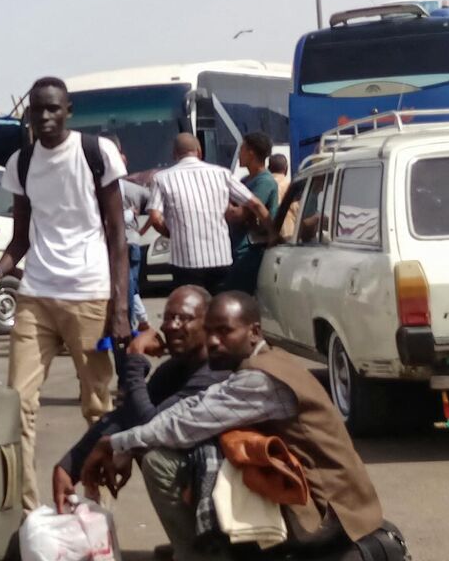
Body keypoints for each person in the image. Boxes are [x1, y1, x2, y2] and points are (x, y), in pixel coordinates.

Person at [83, 293, 386, 560]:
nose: (213, 341)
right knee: (201, 446)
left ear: (254, 332)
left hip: (330, 514)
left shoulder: (261, 379)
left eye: (225, 332)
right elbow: (194, 408)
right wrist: (123, 442)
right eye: (210, 332)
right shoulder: (261, 362)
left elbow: (183, 425)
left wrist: (113, 444)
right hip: (334, 502)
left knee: (162, 461)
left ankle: (199, 556)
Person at [0, 76, 132, 510]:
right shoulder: (20, 163)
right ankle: (27, 515)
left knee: (97, 408)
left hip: (90, 293)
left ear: (68, 110)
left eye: (53, 109)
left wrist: (120, 308)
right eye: (36, 109)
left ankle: (98, 511)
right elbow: (20, 240)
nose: (44, 117)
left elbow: (118, 236)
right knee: (16, 404)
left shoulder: (96, 153)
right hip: (36, 294)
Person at [52, 285, 229, 512]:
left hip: (228, 477)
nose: (171, 326)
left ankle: (197, 545)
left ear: (208, 324)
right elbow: (126, 414)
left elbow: (151, 424)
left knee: (155, 456)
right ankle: (185, 536)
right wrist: (68, 467)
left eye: (183, 318)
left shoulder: (215, 373)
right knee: (136, 441)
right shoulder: (176, 368)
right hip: (201, 468)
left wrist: (135, 357)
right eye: (167, 318)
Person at [146, 134, 269, 294]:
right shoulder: (222, 174)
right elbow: (255, 204)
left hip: (185, 260)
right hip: (220, 258)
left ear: (174, 154)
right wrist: (273, 232)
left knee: (192, 310)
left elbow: (155, 217)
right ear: (199, 151)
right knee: (219, 309)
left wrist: (173, 234)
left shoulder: (161, 178)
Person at [225, 133, 283, 294]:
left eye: (242, 149)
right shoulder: (245, 181)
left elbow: (240, 214)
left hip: (250, 252)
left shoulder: (264, 181)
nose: (239, 154)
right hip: (237, 249)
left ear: (251, 153)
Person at [121, 174, 154, 326]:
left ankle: (137, 321)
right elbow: (155, 208)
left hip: (115, 244)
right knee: (131, 284)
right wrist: (143, 230)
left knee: (127, 285)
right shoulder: (136, 190)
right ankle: (141, 320)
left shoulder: (100, 189)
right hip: (133, 241)